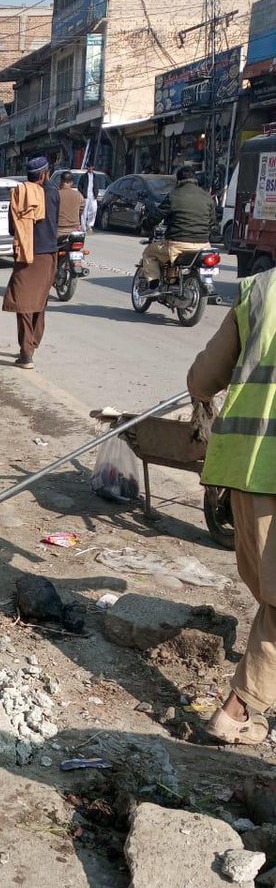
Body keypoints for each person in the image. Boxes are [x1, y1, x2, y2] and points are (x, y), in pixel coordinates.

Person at [187, 267, 276, 745]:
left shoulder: (260, 290)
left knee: (269, 589)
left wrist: (199, 395)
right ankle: (239, 709)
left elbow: (205, 376)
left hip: (246, 468)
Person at [2, 155, 59, 370]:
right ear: (44, 175)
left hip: (25, 253)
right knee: (39, 302)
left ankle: (26, 352)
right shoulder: (52, 193)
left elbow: (11, 229)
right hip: (47, 254)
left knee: (24, 303)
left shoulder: (18, 195)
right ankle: (32, 344)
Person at [141, 165, 216, 289]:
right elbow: (212, 221)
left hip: (178, 245)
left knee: (149, 253)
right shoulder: (207, 196)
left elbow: (157, 216)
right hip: (203, 246)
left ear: (178, 181)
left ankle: (153, 284)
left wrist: (146, 224)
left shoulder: (173, 195)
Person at [57, 171, 85, 235]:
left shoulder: (56, 195)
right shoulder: (79, 195)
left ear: (61, 181)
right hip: (75, 230)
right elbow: (81, 210)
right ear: (71, 183)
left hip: (59, 230)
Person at [78, 164, 100, 232]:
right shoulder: (83, 176)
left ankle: (89, 225)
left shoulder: (95, 176)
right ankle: (83, 227)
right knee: (84, 211)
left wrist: (96, 193)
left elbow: (96, 186)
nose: (90, 168)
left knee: (93, 210)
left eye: (91, 167)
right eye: (89, 167)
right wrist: (82, 194)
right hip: (85, 196)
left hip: (93, 196)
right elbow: (79, 186)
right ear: (87, 168)